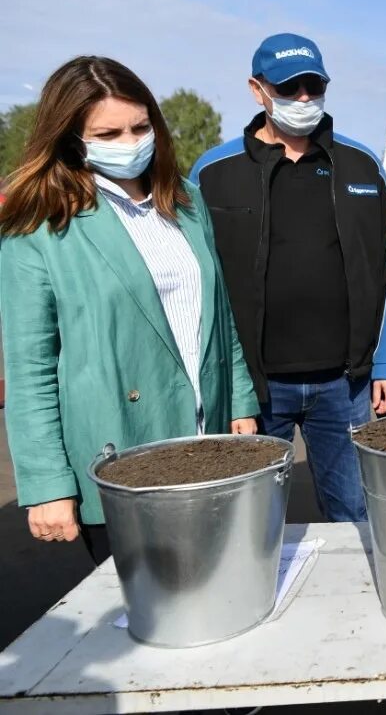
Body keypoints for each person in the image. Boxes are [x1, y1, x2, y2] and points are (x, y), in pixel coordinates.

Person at [0, 56, 259, 564]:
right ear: (72, 138)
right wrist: (47, 482)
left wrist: (242, 401)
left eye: (140, 127)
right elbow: (30, 367)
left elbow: (219, 312)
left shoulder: (185, 200)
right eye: (109, 133)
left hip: (207, 435)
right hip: (121, 448)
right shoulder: (40, 223)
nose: (130, 143)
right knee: (145, 615)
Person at [190, 33, 386, 523]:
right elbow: (197, 283)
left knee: (355, 511)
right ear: (258, 90)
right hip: (253, 387)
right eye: (290, 89)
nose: (304, 99)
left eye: (314, 86)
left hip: (345, 385)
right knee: (247, 516)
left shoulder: (361, 166)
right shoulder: (212, 172)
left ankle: (353, 599)